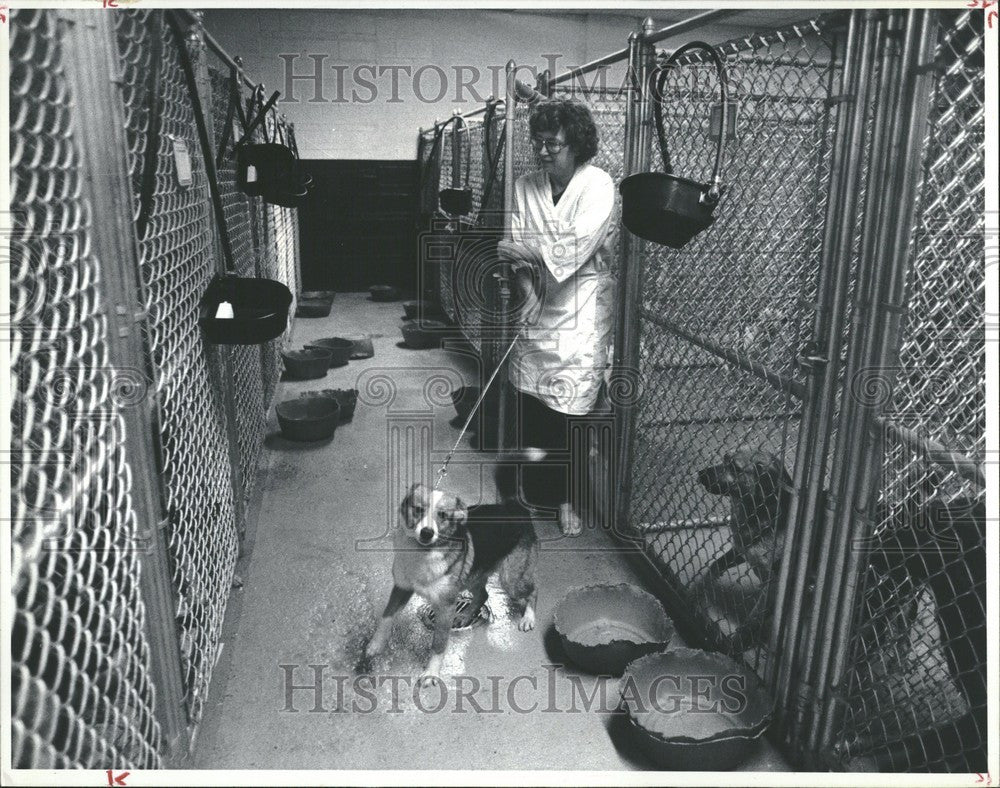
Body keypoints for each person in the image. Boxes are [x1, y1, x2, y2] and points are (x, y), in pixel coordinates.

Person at [496, 98, 617, 536]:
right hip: (536, 309)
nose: (543, 151)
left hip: (581, 312)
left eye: (553, 143)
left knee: (573, 413)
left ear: (576, 144)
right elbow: (514, 244)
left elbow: (572, 247)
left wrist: (520, 252)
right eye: (538, 142)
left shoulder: (599, 186)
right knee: (536, 406)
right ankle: (536, 490)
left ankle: (570, 500)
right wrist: (526, 290)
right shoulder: (526, 185)